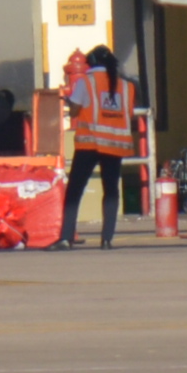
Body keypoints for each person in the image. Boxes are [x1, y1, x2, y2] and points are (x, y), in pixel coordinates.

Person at [58, 43, 138, 248]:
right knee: (111, 190)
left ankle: (66, 237)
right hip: (115, 145)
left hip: (89, 143)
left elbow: (75, 111)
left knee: (75, 190)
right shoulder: (127, 86)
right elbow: (127, 115)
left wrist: (69, 102)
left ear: (91, 63)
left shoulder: (86, 82)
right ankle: (107, 239)